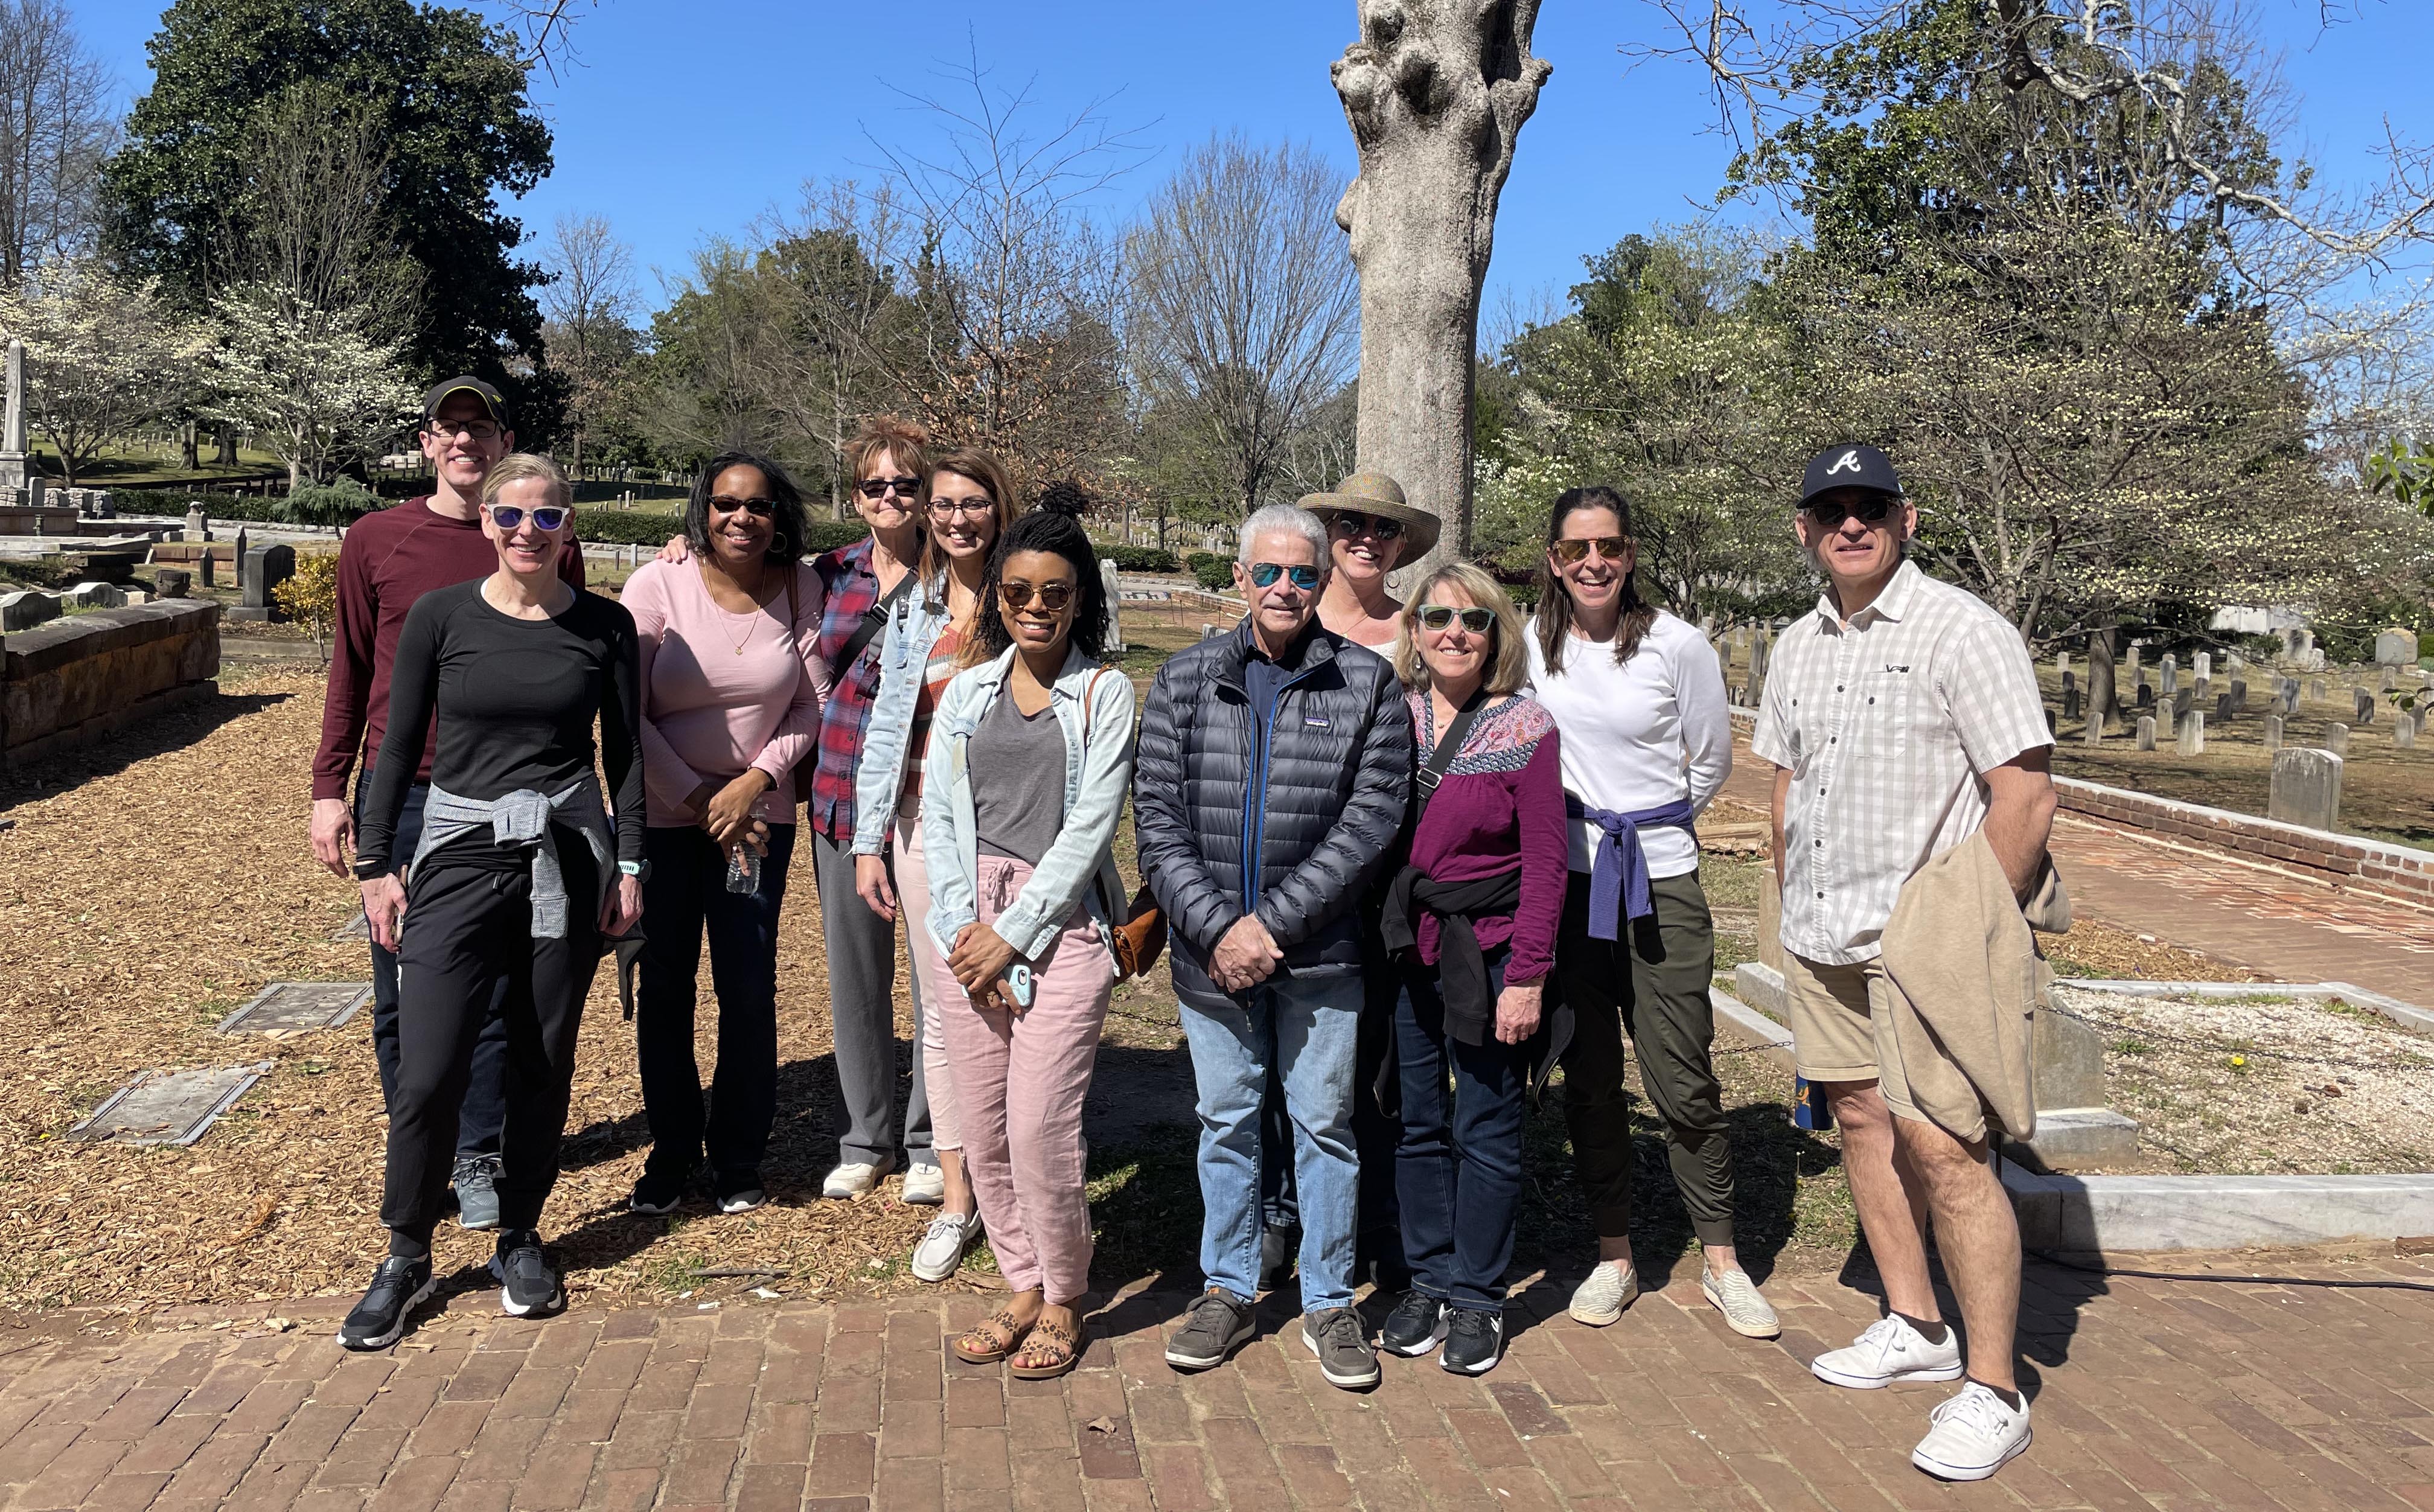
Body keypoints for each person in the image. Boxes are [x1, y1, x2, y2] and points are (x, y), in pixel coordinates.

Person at [1757, 442, 2057, 1482]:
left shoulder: (1963, 633)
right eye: (1829, 509)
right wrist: (1787, 891)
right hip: (1821, 931)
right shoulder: (1794, 644)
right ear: (1803, 529)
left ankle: (1992, 1387)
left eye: (1869, 506)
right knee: (1857, 1116)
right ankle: (1914, 1323)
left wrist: (1969, 926)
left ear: (1906, 518)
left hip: (1919, 940)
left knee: (1946, 1149)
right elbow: (1788, 783)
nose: (1850, 524)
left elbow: (2024, 796)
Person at [339, 454, 644, 1350]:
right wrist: (373, 863)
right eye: (511, 517)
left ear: (569, 529)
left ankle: (521, 1234)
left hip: (564, 857)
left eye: (547, 519)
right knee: (429, 1065)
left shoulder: (606, 627)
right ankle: (406, 1252)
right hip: (459, 854)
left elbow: (623, 757)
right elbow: (393, 749)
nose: (527, 533)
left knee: (541, 1061)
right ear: (488, 524)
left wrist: (631, 867)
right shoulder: (442, 617)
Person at [1135, 503, 1411, 1392]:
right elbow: (1157, 820)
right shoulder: (1184, 681)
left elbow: (1370, 823)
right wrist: (1219, 928)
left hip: (1319, 956)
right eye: (1269, 572)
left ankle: (1331, 1299)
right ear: (1239, 578)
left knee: (1324, 1126)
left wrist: (1272, 926)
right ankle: (1228, 1283)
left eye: (1303, 573)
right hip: (1209, 959)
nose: (1286, 588)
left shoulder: (1367, 684)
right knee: (1226, 1122)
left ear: (1324, 582)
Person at [310, 377, 585, 1233]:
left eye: (481, 426)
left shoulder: (537, 540)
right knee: (404, 991)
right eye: (449, 426)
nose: (465, 439)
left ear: (503, 442)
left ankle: (479, 1151)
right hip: (410, 797)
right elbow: (351, 672)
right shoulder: (377, 540)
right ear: (428, 442)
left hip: (509, 801)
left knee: (503, 994)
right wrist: (331, 788)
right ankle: (418, 1149)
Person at [1522, 486, 1778, 1340]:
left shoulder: (1677, 645)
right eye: (1575, 549)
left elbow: (1709, 761)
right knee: (1590, 1076)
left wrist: (1648, 822)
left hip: (1658, 877)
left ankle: (1722, 1259)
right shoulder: (1533, 644)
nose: (1593, 562)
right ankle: (1615, 1253)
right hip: (1568, 881)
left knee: (1683, 1074)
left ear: (1631, 554)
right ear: (1554, 559)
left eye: (1610, 546)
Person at [922, 492, 1135, 1380]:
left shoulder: (1104, 694)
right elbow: (939, 814)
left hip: (1062, 927)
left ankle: (1063, 1296)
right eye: (1017, 592)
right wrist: (960, 926)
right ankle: (1019, 1280)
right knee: (980, 1122)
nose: (1036, 607)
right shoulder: (968, 692)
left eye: (1054, 591)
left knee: (1043, 1122)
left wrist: (1011, 935)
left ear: (1080, 594)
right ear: (997, 599)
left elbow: (1091, 829)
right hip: (966, 927)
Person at [622, 451, 829, 1217]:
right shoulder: (658, 584)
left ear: (780, 518)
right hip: (666, 820)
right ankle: (672, 1151)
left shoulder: (802, 588)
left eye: (760, 506)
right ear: (702, 509)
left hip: (753, 830)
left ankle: (739, 1154)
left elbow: (811, 708)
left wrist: (755, 782)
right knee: (666, 986)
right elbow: (627, 711)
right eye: (725, 504)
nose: (741, 518)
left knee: (747, 987)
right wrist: (697, 792)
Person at [1249, 474, 1442, 1295]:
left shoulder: (1417, 631)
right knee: (1264, 1060)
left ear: (1400, 545)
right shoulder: (1291, 610)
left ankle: (1357, 1224)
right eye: (1347, 523)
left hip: (1382, 868)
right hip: (1280, 866)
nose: (1364, 536)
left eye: (1382, 527)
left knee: (1359, 1063)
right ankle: (1274, 1212)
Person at [1372, 564, 1565, 1376]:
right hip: (1407, 950)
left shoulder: (1526, 727)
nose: (1455, 633)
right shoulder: (1390, 715)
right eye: (1439, 616)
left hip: (1486, 955)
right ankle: (1429, 1277)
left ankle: (1480, 1297)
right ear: (1414, 629)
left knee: (1485, 1129)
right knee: (1417, 1126)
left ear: (1498, 634)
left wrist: (1526, 977)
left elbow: (1548, 862)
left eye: (1474, 620)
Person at [852, 449, 1018, 1281]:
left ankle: (1014, 1180)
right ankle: (959, 1198)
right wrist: (868, 841)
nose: (957, 518)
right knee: (947, 1013)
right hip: (923, 833)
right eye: (945, 504)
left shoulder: (1027, 594)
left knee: (1021, 1006)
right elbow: (889, 727)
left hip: (1013, 833)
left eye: (974, 503)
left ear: (999, 508)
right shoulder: (913, 607)